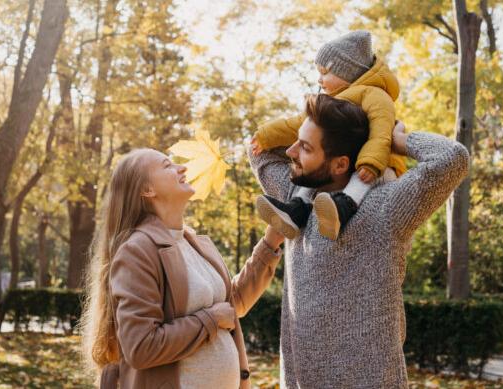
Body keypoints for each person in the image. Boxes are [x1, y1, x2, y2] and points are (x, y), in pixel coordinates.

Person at [248, 94, 470, 388]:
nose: (290, 151)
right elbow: (258, 150)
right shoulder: (294, 204)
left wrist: (394, 140)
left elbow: (454, 158)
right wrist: (339, 101)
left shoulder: (385, 208)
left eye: (305, 147)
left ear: (340, 165)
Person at [80, 148, 285, 389]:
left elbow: (232, 305)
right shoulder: (137, 251)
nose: (182, 168)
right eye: (167, 166)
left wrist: (270, 243)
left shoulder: (195, 243)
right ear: (147, 190)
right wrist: (209, 320)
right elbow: (141, 346)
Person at [251, 30, 407, 240]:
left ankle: (345, 206)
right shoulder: (334, 100)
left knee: (360, 177)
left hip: (378, 164)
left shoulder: (376, 96)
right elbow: (299, 125)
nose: (319, 79)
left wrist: (371, 162)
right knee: (314, 168)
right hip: (347, 161)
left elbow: (381, 132)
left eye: (325, 72)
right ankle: (297, 210)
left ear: (348, 73)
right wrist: (266, 135)